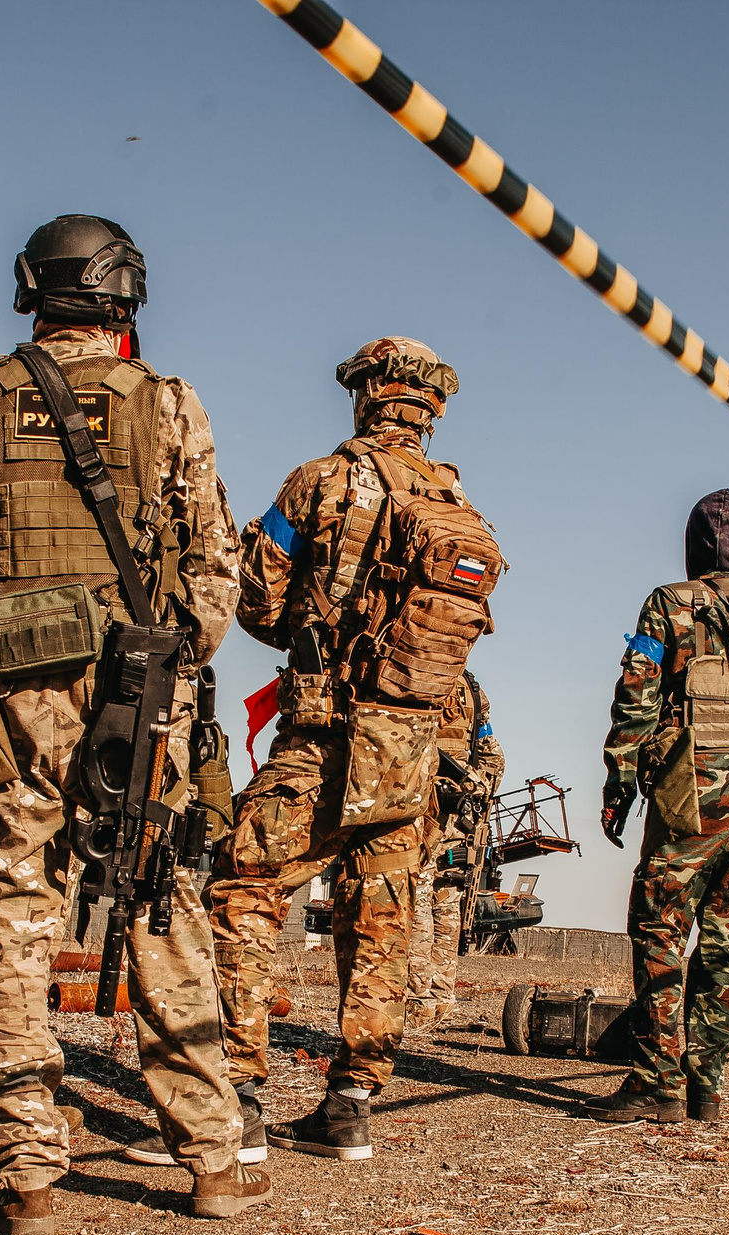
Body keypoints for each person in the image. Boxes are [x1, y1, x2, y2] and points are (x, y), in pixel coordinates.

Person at [0, 214, 265, 1235]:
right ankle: (212, 1160)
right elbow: (215, 570)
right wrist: (167, 663)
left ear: (34, 291)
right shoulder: (170, 403)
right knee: (159, 905)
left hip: (8, 693)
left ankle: (28, 1175)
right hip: (136, 696)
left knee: (11, 922)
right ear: (123, 297)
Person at [212, 336, 507, 1162]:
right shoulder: (461, 506)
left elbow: (256, 602)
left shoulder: (320, 481)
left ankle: (237, 1099)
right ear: (431, 409)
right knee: (380, 919)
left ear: (366, 395)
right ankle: (350, 1105)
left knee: (244, 884)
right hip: (412, 750)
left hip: (328, 735)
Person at [592, 489, 729, 1124]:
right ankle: (705, 1087)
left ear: (692, 544)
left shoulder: (667, 605)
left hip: (687, 795)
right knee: (724, 943)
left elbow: (637, 695)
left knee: (660, 931)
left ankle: (657, 1082)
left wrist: (619, 783)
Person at [405, 669, 501, 1032]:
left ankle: (419, 1002)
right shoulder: (472, 689)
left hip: (426, 807)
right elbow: (493, 756)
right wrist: (476, 790)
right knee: (445, 903)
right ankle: (441, 998)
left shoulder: (418, 675)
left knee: (419, 899)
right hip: (459, 810)